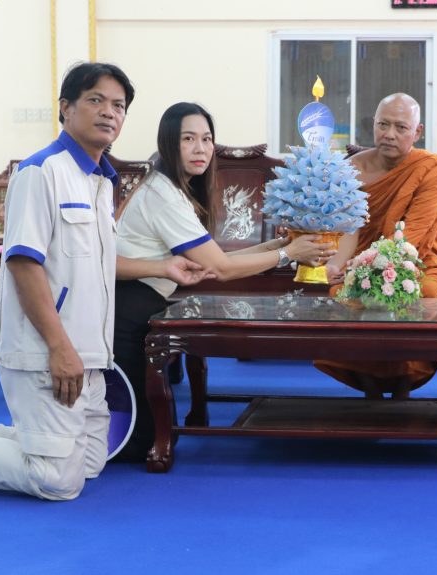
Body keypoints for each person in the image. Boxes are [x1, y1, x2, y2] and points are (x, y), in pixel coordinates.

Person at [0, 63, 210, 500]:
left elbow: (101, 265)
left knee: (90, 462)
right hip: (45, 352)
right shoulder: (41, 172)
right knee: (58, 480)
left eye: (118, 105)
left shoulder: (99, 181)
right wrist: (59, 348)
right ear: (65, 108)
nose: (109, 112)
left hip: (91, 355)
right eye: (96, 100)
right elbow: (23, 265)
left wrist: (163, 268)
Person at [112, 102, 328, 462]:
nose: (200, 148)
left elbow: (214, 263)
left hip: (142, 299)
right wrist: (289, 254)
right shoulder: (164, 196)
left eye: (207, 139)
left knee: (151, 435)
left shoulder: (170, 188)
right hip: (129, 308)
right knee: (142, 443)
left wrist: (276, 246)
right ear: (168, 143)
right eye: (188, 139)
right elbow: (223, 269)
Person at [316, 93, 437, 399]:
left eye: (401, 127)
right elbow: (351, 227)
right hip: (360, 260)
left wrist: (373, 267)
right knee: (342, 294)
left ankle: (403, 387)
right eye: (383, 124)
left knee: (427, 293)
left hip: (419, 260)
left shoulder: (432, 168)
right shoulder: (352, 168)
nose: (389, 134)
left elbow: (413, 236)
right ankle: (371, 390)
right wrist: (337, 265)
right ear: (374, 125)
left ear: (417, 132)